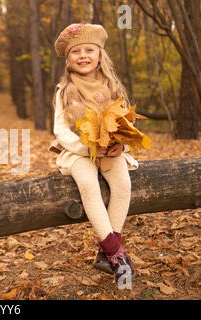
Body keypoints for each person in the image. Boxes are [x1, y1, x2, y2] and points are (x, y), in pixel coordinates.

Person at [49, 23, 137, 288]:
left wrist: (122, 146)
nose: (83, 55)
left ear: (100, 55)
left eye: (89, 49)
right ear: (69, 60)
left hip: (108, 150)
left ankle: (105, 253)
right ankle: (115, 252)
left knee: (122, 184)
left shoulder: (111, 86)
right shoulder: (64, 89)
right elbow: (61, 130)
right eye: (76, 51)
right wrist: (85, 149)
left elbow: (126, 126)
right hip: (78, 152)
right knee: (88, 184)